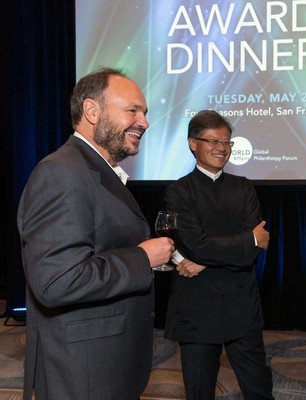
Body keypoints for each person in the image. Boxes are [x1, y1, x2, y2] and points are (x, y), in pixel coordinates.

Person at [17, 68, 174, 400]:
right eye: (132, 110)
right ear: (91, 111)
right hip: (83, 374)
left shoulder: (96, 172)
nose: (144, 122)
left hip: (104, 365)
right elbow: (56, 282)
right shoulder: (61, 173)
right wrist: (143, 258)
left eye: (145, 112)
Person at [163, 109, 274, 400]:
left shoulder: (244, 188)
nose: (221, 148)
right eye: (212, 141)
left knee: (259, 390)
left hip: (242, 306)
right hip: (197, 309)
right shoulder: (178, 192)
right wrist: (244, 240)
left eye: (226, 142)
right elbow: (194, 244)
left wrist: (202, 260)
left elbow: (254, 250)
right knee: (199, 393)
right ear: (192, 143)